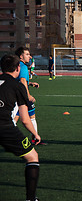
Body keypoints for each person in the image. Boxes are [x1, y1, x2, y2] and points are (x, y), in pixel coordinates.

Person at [0, 54, 41, 201]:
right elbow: (24, 119)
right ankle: (30, 199)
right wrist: (35, 134)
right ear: (18, 68)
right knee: (32, 157)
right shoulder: (18, 86)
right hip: (5, 128)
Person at [14, 47, 45, 145]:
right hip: (22, 96)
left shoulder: (17, 66)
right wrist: (28, 95)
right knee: (31, 117)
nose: (30, 56)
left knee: (15, 117)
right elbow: (22, 81)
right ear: (21, 56)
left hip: (16, 95)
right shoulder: (22, 66)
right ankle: (35, 139)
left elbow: (19, 80)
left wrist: (30, 83)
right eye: (27, 54)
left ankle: (33, 138)